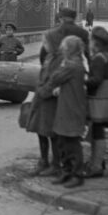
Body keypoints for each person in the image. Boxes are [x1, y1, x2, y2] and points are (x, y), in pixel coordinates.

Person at [41, 35, 87, 188]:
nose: (63, 49)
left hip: (71, 107)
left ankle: (76, 174)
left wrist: (60, 68)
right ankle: (67, 172)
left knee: (72, 143)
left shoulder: (72, 65)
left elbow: (55, 77)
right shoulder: (76, 64)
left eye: (65, 47)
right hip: (67, 105)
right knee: (63, 141)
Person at [26, 29, 65, 176]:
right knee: (40, 131)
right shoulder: (50, 57)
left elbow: (54, 80)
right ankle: (43, 161)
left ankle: (56, 164)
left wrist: (43, 91)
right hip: (42, 99)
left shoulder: (59, 59)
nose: (44, 45)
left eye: (46, 42)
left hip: (50, 101)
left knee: (50, 133)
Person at [83, 26, 108, 178]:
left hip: (99, 98)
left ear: (96, 42)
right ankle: (98, 162)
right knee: (98, 130)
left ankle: (96, 165)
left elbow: (96, 80)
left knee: (97, 131)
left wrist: (84, 81)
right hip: (105, 96)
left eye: (91, 40)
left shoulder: (99, 58)